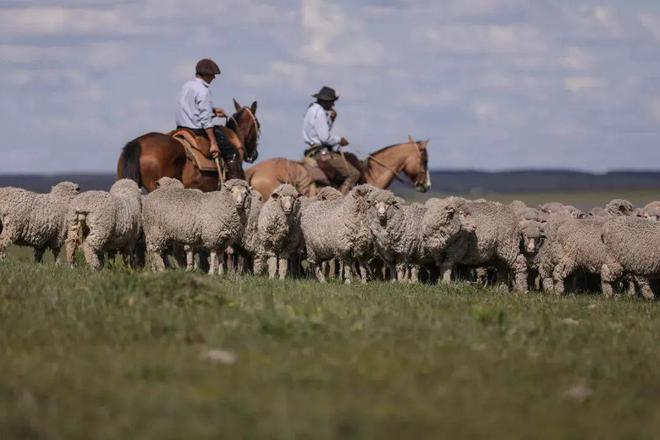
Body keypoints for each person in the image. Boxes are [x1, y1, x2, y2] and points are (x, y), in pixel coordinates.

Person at [175, 58, 242, 178]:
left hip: (181, 127)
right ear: (205, 74)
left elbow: (192, 108)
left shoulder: (186, 85)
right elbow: (205, 120)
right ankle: (236, 185)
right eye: (212, 75)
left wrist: (213, 111)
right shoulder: (203, 90)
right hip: (196, 129)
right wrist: (213, 143)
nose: (214, 78)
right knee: (232, 152)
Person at [303, 86, 361, 194]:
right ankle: (340, 202)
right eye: (332, 102)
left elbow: (320, 132)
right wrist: (339, 140)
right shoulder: (320, 112)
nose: (333, 105)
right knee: (354, 173)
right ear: (326, 101)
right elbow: (324, 137)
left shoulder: (311, 109)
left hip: (311, 150)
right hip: (321, 152)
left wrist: (331, 120)